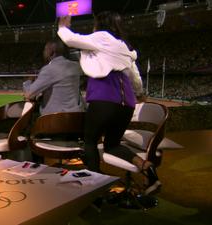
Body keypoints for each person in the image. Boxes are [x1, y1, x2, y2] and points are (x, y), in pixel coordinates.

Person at [57, 12, 160, 194]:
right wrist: (140, 94)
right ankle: (146, 167)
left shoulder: (102, 37)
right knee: (113, 144)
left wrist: (62, 27)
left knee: (89, 141)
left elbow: (72, 40)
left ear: (101, 24)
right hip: (126, 103)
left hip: (104, 96)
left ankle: (96, 188)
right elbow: (135, 77)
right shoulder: (124, 46)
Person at [23, 39, 85, 115]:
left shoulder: (49, 69)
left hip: (54, 118)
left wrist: (28, 80)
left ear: (51, 52)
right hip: (76, 115)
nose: (43, 52)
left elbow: (29, 94)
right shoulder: (75, 66)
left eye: (45, 50)